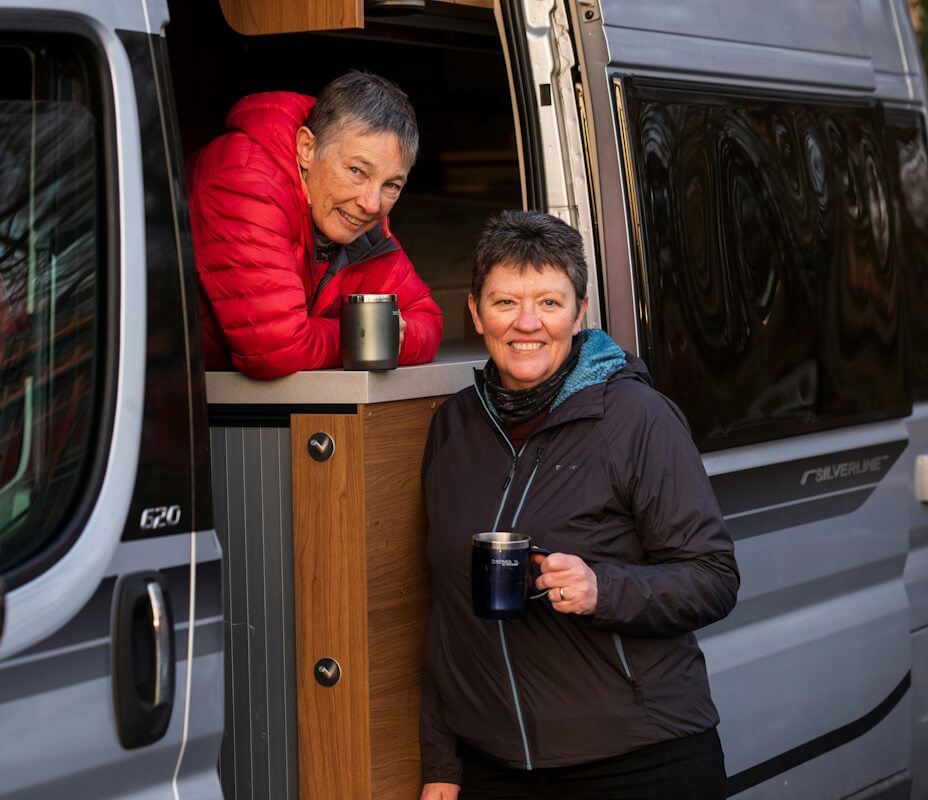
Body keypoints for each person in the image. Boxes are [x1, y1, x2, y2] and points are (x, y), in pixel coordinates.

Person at [419, 210, 739, 799]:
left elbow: (713, 578)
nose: (526, 324)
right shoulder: (453, 427)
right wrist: (442, 761)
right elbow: (446, 614)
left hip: (637, 760)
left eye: (548, 302)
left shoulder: (637, 419)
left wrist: (603, 589)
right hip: (495, 768)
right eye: (505, 302)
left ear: (580, 311)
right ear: (474, 311)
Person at [186, 71, 442, 379]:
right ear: (307, 148)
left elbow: (427, 319)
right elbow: (276, 350)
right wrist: (366, 334)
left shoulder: (353, 214)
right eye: (357, 171)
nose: (372, 204)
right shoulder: (246, 182)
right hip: (146, 401)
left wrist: (388, 335)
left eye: (391, 185)